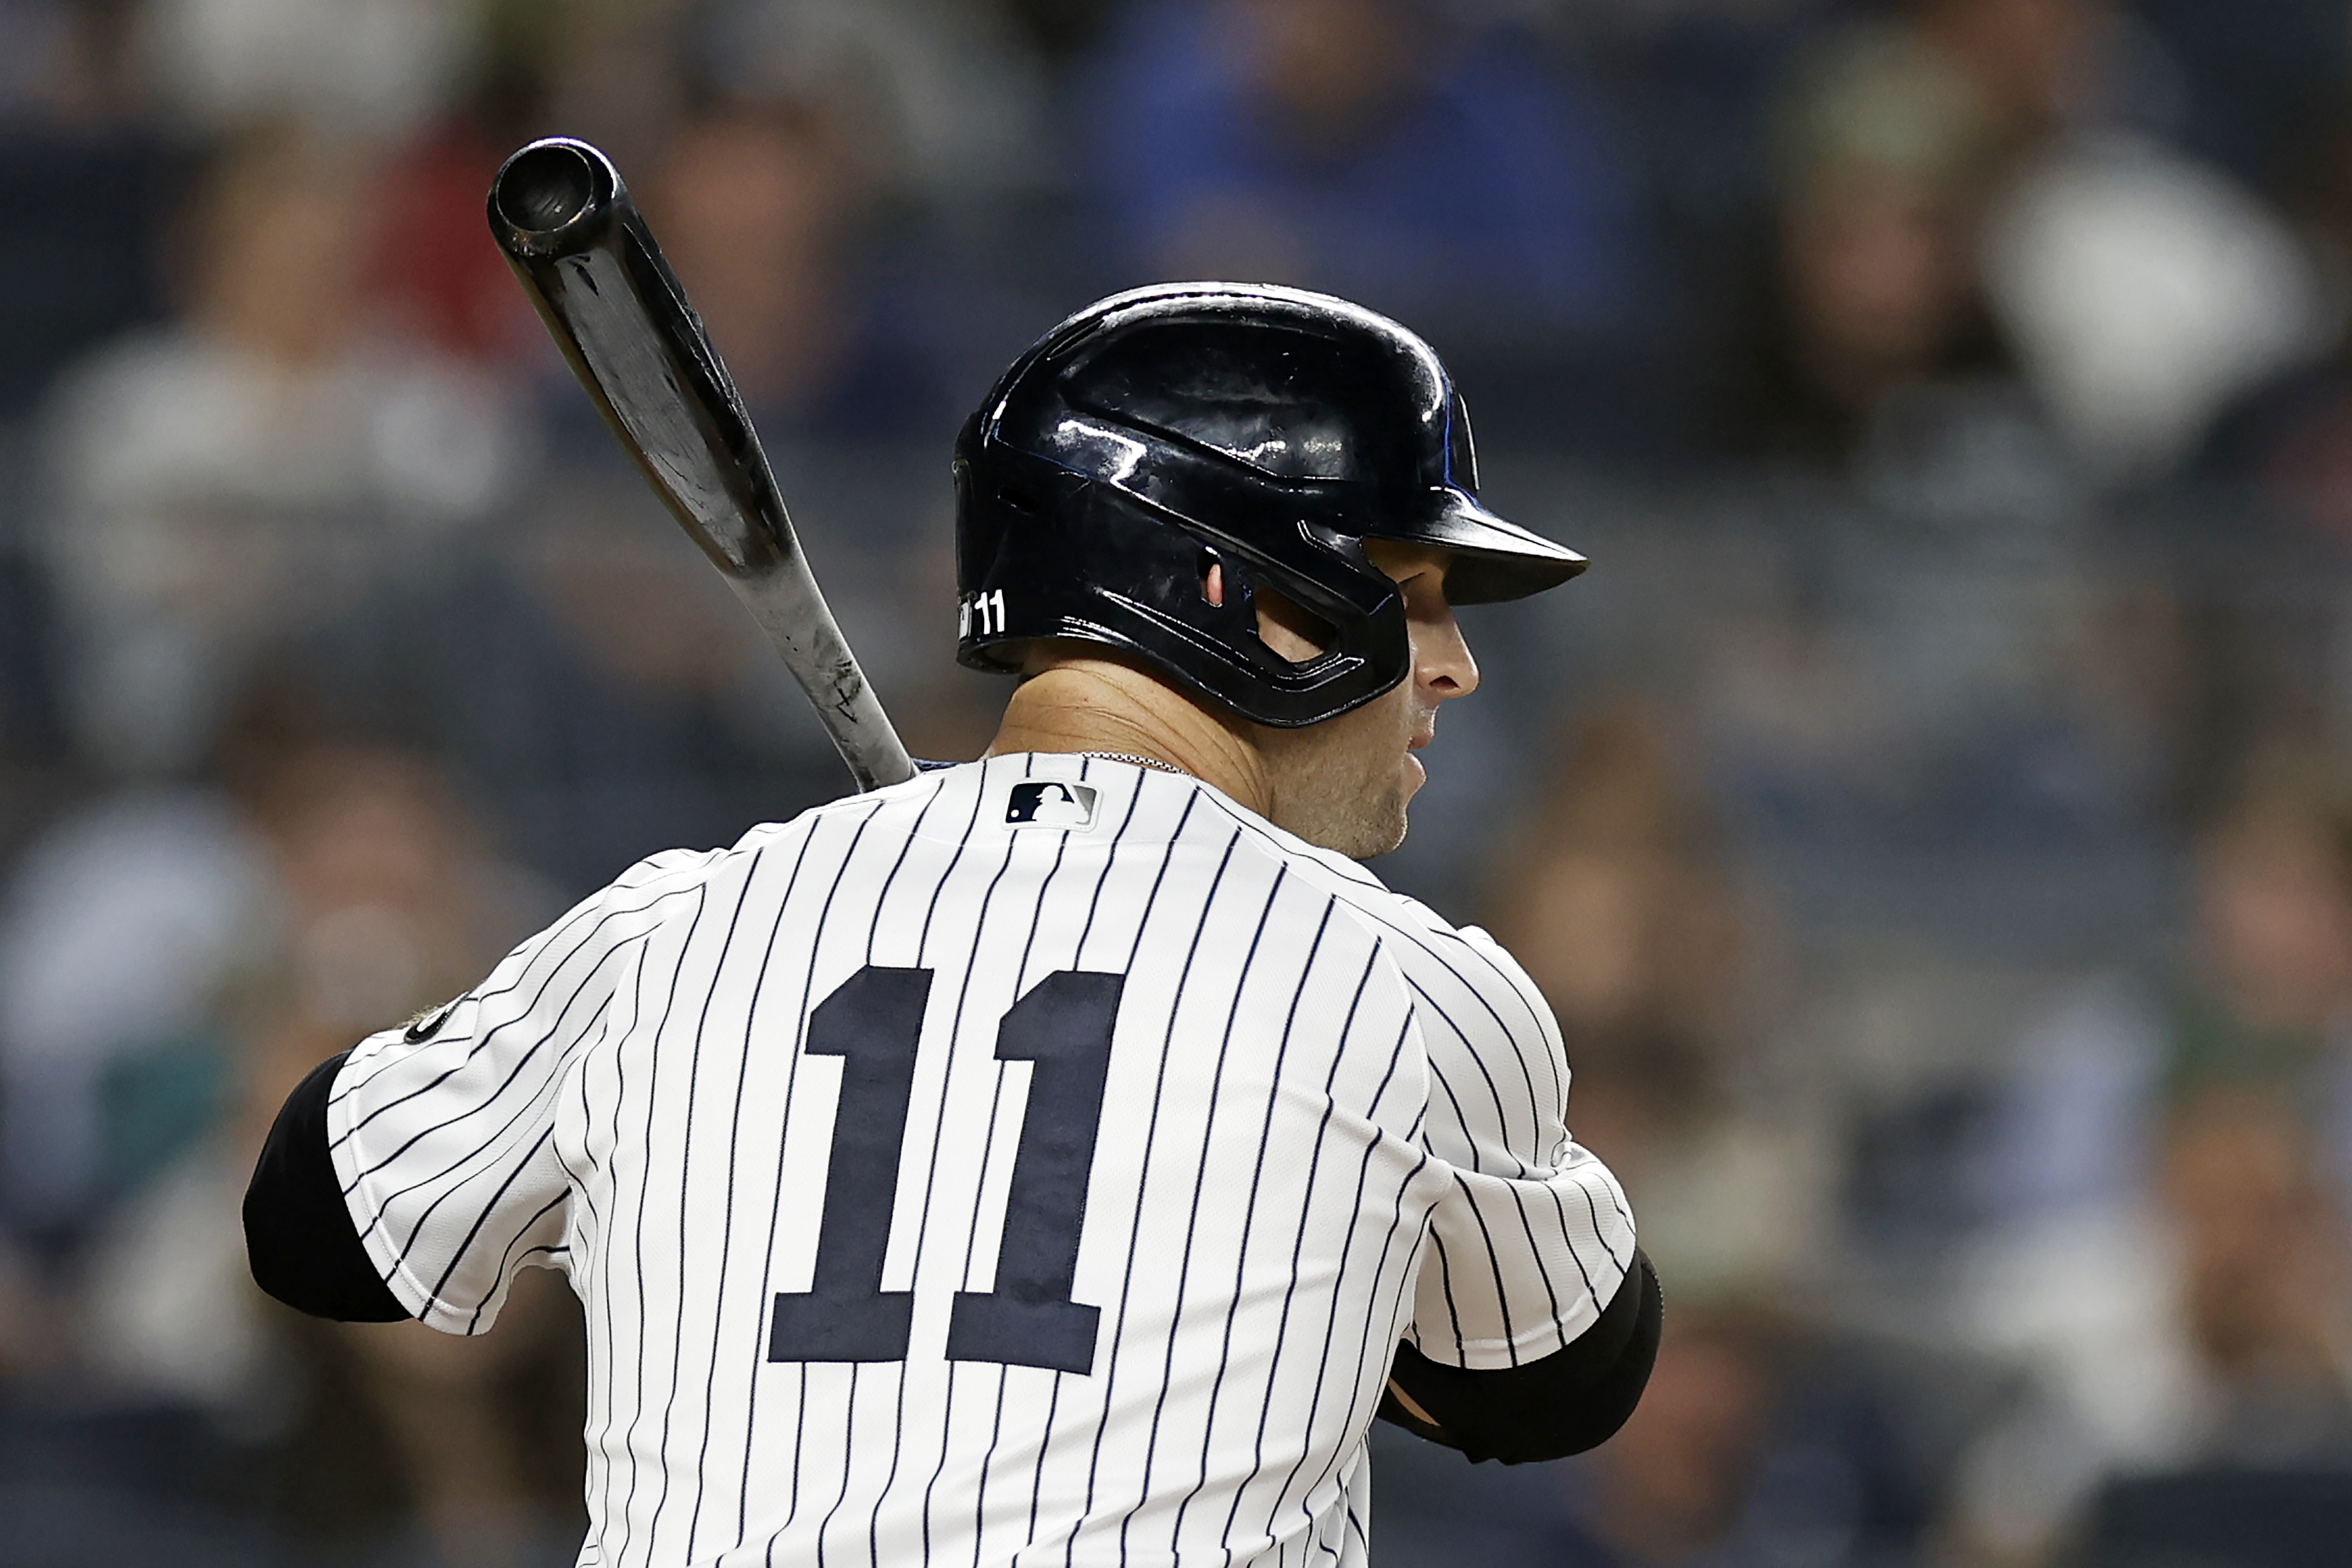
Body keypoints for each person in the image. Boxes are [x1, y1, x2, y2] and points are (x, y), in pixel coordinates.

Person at [241, 282, 1660, 1565]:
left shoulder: (679, 927)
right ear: (1247, 594)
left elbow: (316, 1216)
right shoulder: (1406, 988)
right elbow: (1551, 1386)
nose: (1456, 667)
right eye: (1413, 598)